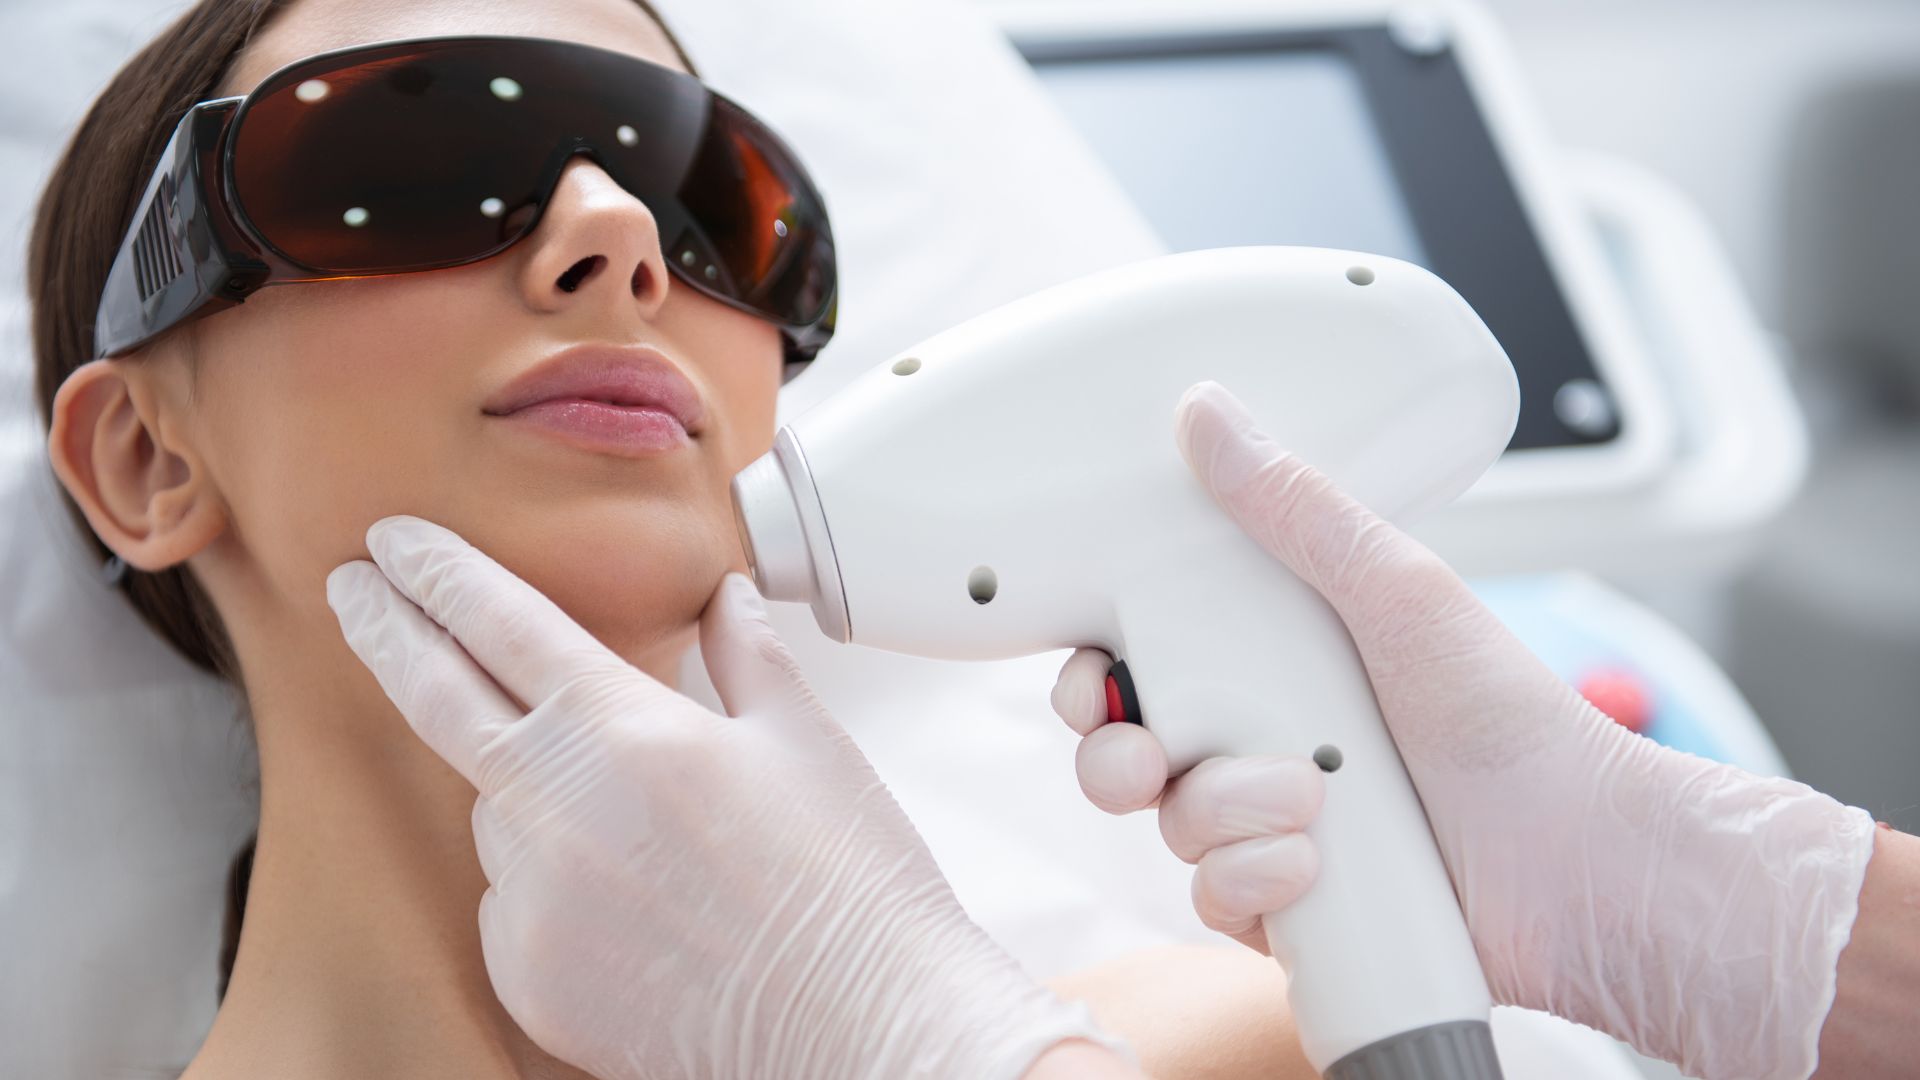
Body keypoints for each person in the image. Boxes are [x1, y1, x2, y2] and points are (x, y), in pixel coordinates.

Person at [32, 1, 1318, 1077]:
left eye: (707, 205)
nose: (622, 233)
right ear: (147, 461)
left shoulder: (1265, 1041)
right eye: (415, 163)